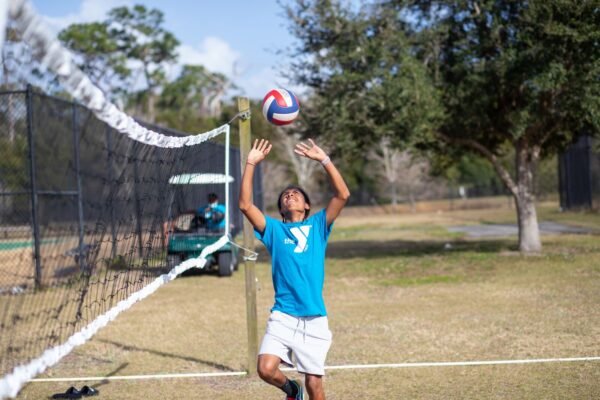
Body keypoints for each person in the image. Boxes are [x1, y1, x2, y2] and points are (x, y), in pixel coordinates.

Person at [239, 138, 350, 400]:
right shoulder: (274, 231)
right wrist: (251, 163)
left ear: (307, 206)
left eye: (296, 194)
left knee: (315, 385)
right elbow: (245, 205)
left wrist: (324, 160)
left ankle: (304, 389)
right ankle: (292, 390)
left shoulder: (319, 226)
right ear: (281, 209)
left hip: (314, 318)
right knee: (265, 370)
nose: (290, 195)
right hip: (283, 315)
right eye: (285, 195)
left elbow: (342, 195)